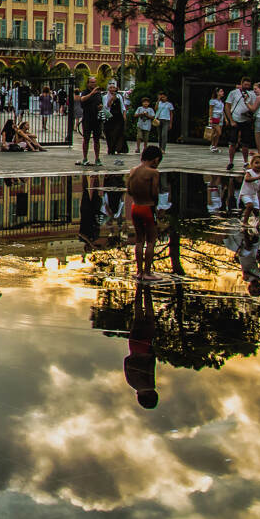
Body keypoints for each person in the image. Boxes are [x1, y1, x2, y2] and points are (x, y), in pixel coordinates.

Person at [126, 144, 164, 281]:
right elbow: (154, 191)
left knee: (139, 240)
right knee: (151, 240)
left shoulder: (133, 171)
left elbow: (129, 190)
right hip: (148, 208)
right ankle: (147, 272)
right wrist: (156, 204)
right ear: (155, 159)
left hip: (135, 207)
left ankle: (139, 272)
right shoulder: (153, 173)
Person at [124, 283, 159, 409]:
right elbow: (126, 361)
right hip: (133, 347)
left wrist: (153, 354)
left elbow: (151, 367)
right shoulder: (131, 383)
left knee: (149, 317)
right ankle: (139, 288)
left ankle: (147, 289)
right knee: (137, 315)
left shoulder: (150, 385)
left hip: (145, 348)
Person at [225, 77, 254, 171]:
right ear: (241, 84)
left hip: (246, 120)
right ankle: (231, 162)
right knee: (232, 142)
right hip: (236, 119)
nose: (247, 87)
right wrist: (231, 120)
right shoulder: (234, 93)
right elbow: (227, 106)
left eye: (248, 85)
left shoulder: (252, 94)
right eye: (245, 85)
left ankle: (245, 162)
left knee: (245, 143)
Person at [77, 77, 103, 166]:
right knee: (86, 139)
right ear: (88, 83)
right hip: (87, 119)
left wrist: (100, 107)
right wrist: (92, 93)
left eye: (94, 82)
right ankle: (85, 158)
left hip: (97, 119)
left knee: (97, 140)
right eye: (91, 82)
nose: (93, 84)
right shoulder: (85, 92)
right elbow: (82, 99)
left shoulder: (99, 94)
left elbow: (100, 103)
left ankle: (97, 158)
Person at [102, 81, 127, 161]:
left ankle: (117, 148)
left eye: (114, 88)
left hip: (118, 117)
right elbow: (106, 107)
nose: (112, 89)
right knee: (109, 133)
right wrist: (111, 100)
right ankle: (110, 148)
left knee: (117, 133)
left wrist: (124, 115)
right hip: (109, 117)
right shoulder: (105, 97)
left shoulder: (119, 96)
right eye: (111, 88)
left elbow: (123, 107)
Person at [240, 153, 260, 227]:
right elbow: (247, 179)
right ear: (252, 164)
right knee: (250, 206)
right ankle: (245, 222)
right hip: (245, 193)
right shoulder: (250, 172)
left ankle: (257, 223)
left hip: (254, 195)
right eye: (256, 163)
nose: (259, 165)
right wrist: (258, 178)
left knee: (257, 211)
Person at [207, 87, 225, 152]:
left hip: (220, 117)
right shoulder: (213, 101)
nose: (222, 93)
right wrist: (211, 118)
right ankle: (212, 145)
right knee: (218, 132)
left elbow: (222, 110)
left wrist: (225, 118)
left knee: (217, 133)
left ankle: (215, 146)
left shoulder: (221, 102)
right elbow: (211, 109)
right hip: (215, 117)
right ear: (217, 93)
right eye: (221, 91)